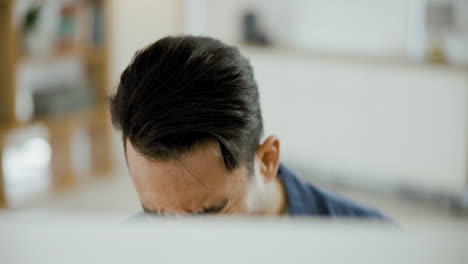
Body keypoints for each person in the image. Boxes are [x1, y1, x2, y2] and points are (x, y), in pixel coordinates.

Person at [109, 35, 385, 218]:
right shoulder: (126, 248)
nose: (181, 242)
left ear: (267, 160)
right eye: (155, 212)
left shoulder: (373, 243)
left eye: (208, 213)